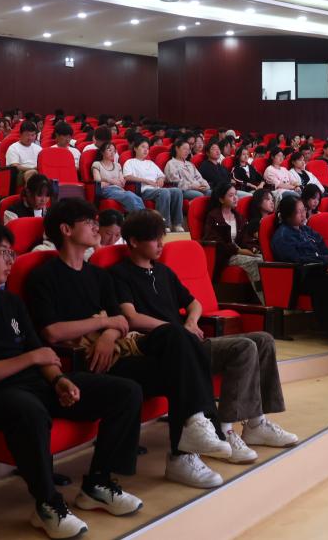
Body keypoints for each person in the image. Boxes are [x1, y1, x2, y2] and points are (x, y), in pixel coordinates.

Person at [0, 221, 143, 537]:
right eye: (3, 253)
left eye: (12, 253)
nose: (10, 261)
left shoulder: (11, 303)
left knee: (126, 392)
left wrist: (59, 381)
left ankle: (98, 484)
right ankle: (47, 505)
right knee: (29, 410)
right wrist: (32, 360)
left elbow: (40, 352)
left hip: (37, 385)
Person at [24, 199, 229, 489]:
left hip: (115, 354)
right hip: (82, 362)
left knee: (178, 344)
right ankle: (192, 440)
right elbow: (53, 332)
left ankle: (188, 444)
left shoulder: (98, 275)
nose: (96, 226)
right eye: (88, 222)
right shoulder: (44, 276)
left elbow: (120, 320)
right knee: (179, 352)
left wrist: (108, 335)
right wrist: (103, 324)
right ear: (66, 230)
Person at [112, 209, 295, 464]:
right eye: (154, 239)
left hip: (189, 342)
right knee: (243, 347)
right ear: (133, 241)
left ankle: (256, 424)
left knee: (263, 340)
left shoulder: (163, 272)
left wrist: (190, 322)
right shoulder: (119, 274)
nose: (161, 245)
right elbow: (131, 317)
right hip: (162, 350)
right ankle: (224, 430)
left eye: (162, 238)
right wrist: (175, 329)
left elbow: (194, 303)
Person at [270, 196, 328, 347]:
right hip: (299, 277)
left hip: (319, 271)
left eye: (304, 210)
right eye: (299, 212)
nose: (303, 214)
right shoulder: (282, 236)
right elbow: (298, 260)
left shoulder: (307, 231)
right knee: (325, 284)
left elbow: (326, 253)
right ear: (288, 216)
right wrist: (324, 261)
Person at [203, 183, 262, 294]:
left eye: (236, 194)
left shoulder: (239, 217)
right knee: (256, 262)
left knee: (265, 259)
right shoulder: (213, 217)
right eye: (231, 195)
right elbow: (217, 242)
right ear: (221, 199)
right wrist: (238, 250)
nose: (235, 198)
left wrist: (252, 248)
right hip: (225, 256)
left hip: (239, 252)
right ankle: (266, 299)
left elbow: (245, 238)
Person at [123, 138, 184, 232]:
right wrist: (146, 181)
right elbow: (127, 177)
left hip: (156, 189)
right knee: (164, 192)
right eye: (143, 147)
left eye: (147, 148)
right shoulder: (130, 162)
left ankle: (177, 224)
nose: (145, 150)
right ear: (135, 148)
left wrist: (160, 179)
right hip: (143, 190)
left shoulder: (150, 163)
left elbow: (162, 176)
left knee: (177, 191)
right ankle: (163, 225)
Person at [90, 141, 145, 212]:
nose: (112, 153)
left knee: (138, 198)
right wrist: (112, 181)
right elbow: (98, 182)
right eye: (109, 150)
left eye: (114, 151)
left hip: (119, 190)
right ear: (102, 152)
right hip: (106, 190)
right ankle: (141, 217)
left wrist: (106, 180)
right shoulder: (97, 164)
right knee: (129, 196)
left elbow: (122, 183)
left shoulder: (117, 165)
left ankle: (143, 216)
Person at [238, 188, 274, 255]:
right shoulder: (255, 223)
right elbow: (265, 240)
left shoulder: (274, 219)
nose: (272, 202)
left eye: (272, 200)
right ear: (259, 202)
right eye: (267, 199)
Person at [6, 122, 42, 186]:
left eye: (33, 135)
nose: (30, 138)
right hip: (20, 174)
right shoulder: (13, 148)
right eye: (27, 135)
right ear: (20, 134)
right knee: (31, 173)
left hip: (37, 171)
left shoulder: (38, 148)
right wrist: (32, 169)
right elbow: (15, 166)